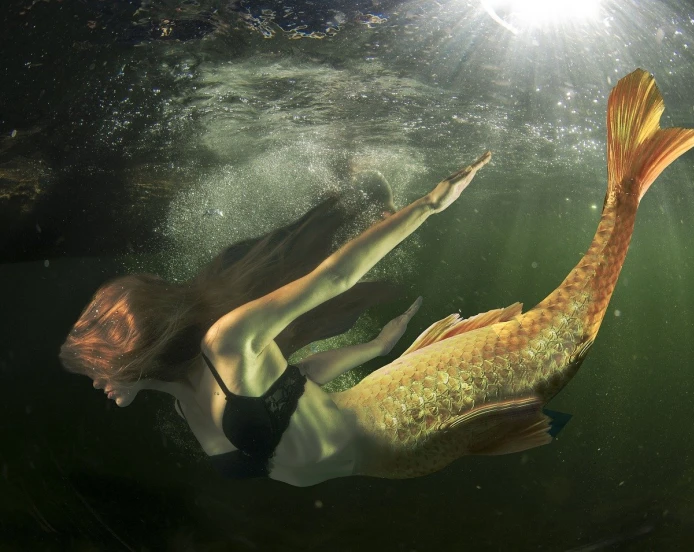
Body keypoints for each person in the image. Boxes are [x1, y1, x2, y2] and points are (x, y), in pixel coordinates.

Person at [59, 152, 492, 487]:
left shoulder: (226, 343)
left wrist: (430, 206)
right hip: (374, 468)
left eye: (97, 367)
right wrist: (374, 348)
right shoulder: (182, 400)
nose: (96, 381)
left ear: (131, 348)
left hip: (393, 436)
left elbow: (334, 277)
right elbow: (293, 381)